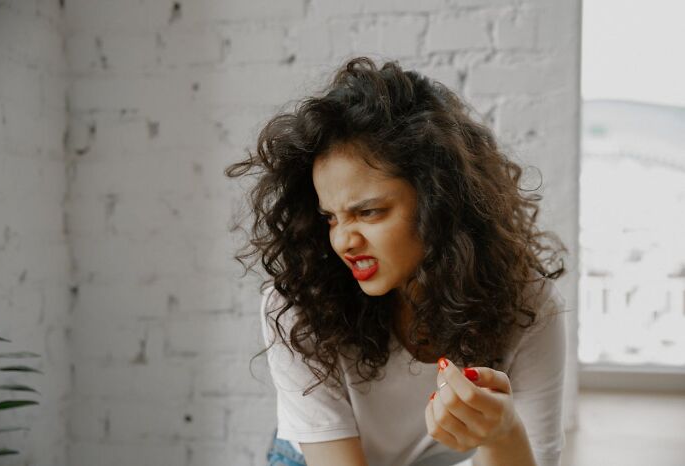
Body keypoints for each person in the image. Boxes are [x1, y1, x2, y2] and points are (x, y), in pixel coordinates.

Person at [225, 57, 569, 466]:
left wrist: (503, 432)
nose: (343, 241)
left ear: (439, 201)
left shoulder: (527, 303)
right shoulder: (299, 304)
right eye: (330, 217)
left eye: (369, 212)